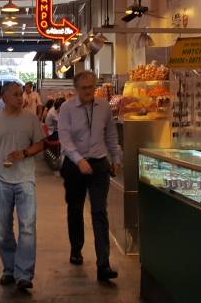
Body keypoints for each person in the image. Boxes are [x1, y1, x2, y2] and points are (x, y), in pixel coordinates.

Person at [0, 83, 46, 292]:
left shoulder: (31, 119)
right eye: (16, 95)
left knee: (27, 226)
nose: (21, 98)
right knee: (3, 230)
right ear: (5, 97)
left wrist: (24, 153)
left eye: (21, 94)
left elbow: (40, 144)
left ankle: (24, 274)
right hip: (0, 180)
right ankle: (9, 268)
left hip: (25, 179)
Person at [57, 70, 121, 281]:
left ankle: (103, 264)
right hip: (74, 166)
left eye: (91, 87)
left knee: (99, 211)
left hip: (99, 164)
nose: (88, 92)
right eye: (84, 88)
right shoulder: (66, 108)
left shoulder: (103, 107)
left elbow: (111, 134)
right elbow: (65, 139)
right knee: (75, 209)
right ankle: (76, 249)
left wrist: (116, 158)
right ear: (76, 89)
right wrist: (79, 160)